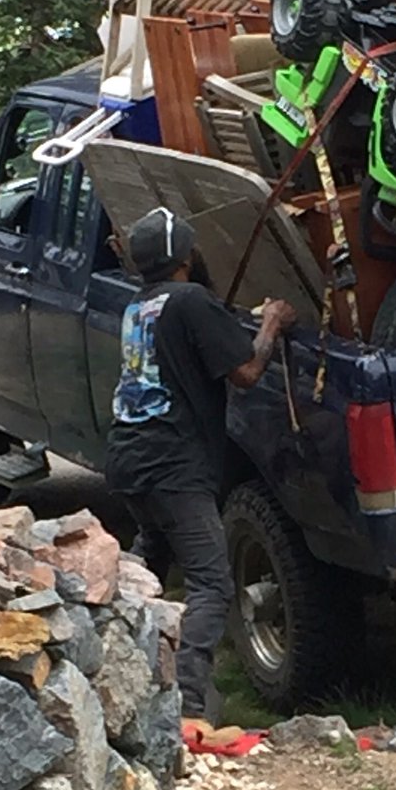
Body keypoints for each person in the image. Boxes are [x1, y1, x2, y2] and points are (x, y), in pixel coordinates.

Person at [106, 206, 296, 727]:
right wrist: (273, 323)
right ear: (186, 256)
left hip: (130, 459)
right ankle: (189, 706)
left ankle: (119, 661)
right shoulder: (190, 300)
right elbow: (247, 370)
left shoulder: (139, 306)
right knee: (212, 583)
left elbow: (197, 343)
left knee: (150, 559)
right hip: (175, 466)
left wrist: (242, 321)